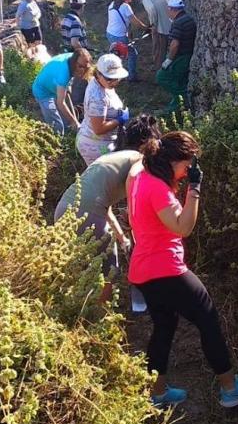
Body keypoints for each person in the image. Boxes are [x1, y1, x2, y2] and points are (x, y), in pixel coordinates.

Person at [127, 132, 238, 408]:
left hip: (143, 270)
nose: (187, 172)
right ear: (170, 161)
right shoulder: (157, 188)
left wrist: (183, 174)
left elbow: (135, 173)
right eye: (186, 166)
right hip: (165, 269)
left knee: (164, 328)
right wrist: (195, 187)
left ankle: (157, 393)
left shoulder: (141, 175)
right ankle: (230, 390)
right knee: (208, 319)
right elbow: (183, 227)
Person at [54, 115, 161, 303]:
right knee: (109, 269)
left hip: (64, 209)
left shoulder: (112, 157)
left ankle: (71, 308)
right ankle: (99, 316)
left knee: (78, 265)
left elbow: (105, 207)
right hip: (87, 214)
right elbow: (134, 203)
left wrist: (123, 239)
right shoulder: (138, 160)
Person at [76, 53, 130, 165]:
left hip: (99, 141)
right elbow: (98, 129)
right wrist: (119, 120)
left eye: (117, 78)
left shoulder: (101, 83)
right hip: (95, 146)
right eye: (110, 78)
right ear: (98, 74)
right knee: (102, 179)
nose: (114, 82)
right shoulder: (98, 98)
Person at [32, 49, 92, 135]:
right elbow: (61, 103)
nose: (83, 70)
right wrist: (74, 122)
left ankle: (69, 136)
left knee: (67, 121)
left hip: (54, 84)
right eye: (80, 66)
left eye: (86, 67)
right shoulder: (63, 74)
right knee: (58, 126)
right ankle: (58, 144)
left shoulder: (75, 56)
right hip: (43, 91)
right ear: (74, 62)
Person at [156, 0, 197, 113]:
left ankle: (182, 99)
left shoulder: (178, 23)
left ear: (171, 9)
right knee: (181, 80)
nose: (167, 12)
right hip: (189, 54)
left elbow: (175, 44)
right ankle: (177, 106)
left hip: (181, 57)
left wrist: (168, 60)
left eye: (168, 10)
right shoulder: (188, 19)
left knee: (161, 76)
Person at [106, 0, 148, 82]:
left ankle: (110, 74)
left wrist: (128, 34)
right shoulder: (125, 6)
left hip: (110, 34)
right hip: (119, 36)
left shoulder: (112, 4)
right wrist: (146, 28)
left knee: (115, 54)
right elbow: (135, 22)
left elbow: (122, 22)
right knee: (132, 54)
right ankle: (131, 77)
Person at [142, 0, 172, 71]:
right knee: (166, 48)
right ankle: (167, 66)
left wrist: (153, 24)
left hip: (159, 28)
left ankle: (158, 68)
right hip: (170, 27)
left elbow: (151, 9)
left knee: (158, 48)